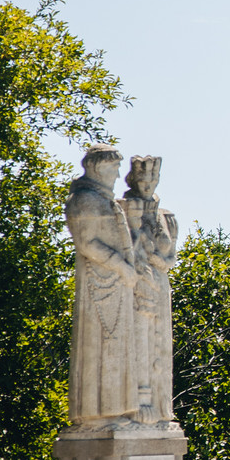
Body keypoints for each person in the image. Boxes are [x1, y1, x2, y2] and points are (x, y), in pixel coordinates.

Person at [65, 145, 140, 424]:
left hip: (116, 285)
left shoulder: (103, 199)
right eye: (113, 168)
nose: (119, 175)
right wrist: (120, 265)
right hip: (99, 284)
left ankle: (116, 409)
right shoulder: (85, 200)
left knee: (117, 347)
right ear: (96, 167)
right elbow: (87, 243)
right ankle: (98, 414)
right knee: (100, 346)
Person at [122, 155, 178, 423]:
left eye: (153, 178)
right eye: (143, 178)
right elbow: (133, 251)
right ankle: (139, 402)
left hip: (159, 285)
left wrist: (159, 259)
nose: (148, 183)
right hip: (137, 287)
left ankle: (160, 404)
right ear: (134, 178)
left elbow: (169, 259)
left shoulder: (164, 215)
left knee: (159, 347)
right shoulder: (125, 209)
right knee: (141, 343)